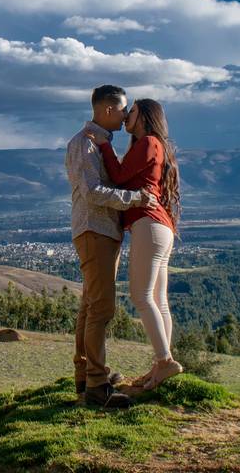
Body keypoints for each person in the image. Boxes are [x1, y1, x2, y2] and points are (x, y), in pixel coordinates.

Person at [65, 84, 157, 408]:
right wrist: (137, 198)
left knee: (91, 305)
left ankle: (87, 374)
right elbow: (93, 191)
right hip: (96, 230)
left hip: (100, 231)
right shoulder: (84, 144)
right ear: (107, 110)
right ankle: (97, 386)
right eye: (122, 110)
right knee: (101, 308)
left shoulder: (94, 143)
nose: (124, 115)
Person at [86, 98, 183, 390]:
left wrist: (102, 144)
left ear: (145, 116)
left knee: (141, 296)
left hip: (148, 224)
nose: (127, 114)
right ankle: (160, 367)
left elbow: (116, 176)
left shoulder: (148, 143)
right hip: (159, 227)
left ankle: (165, 361)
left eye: (133, 110)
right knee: (158, 299)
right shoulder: (155, 144)